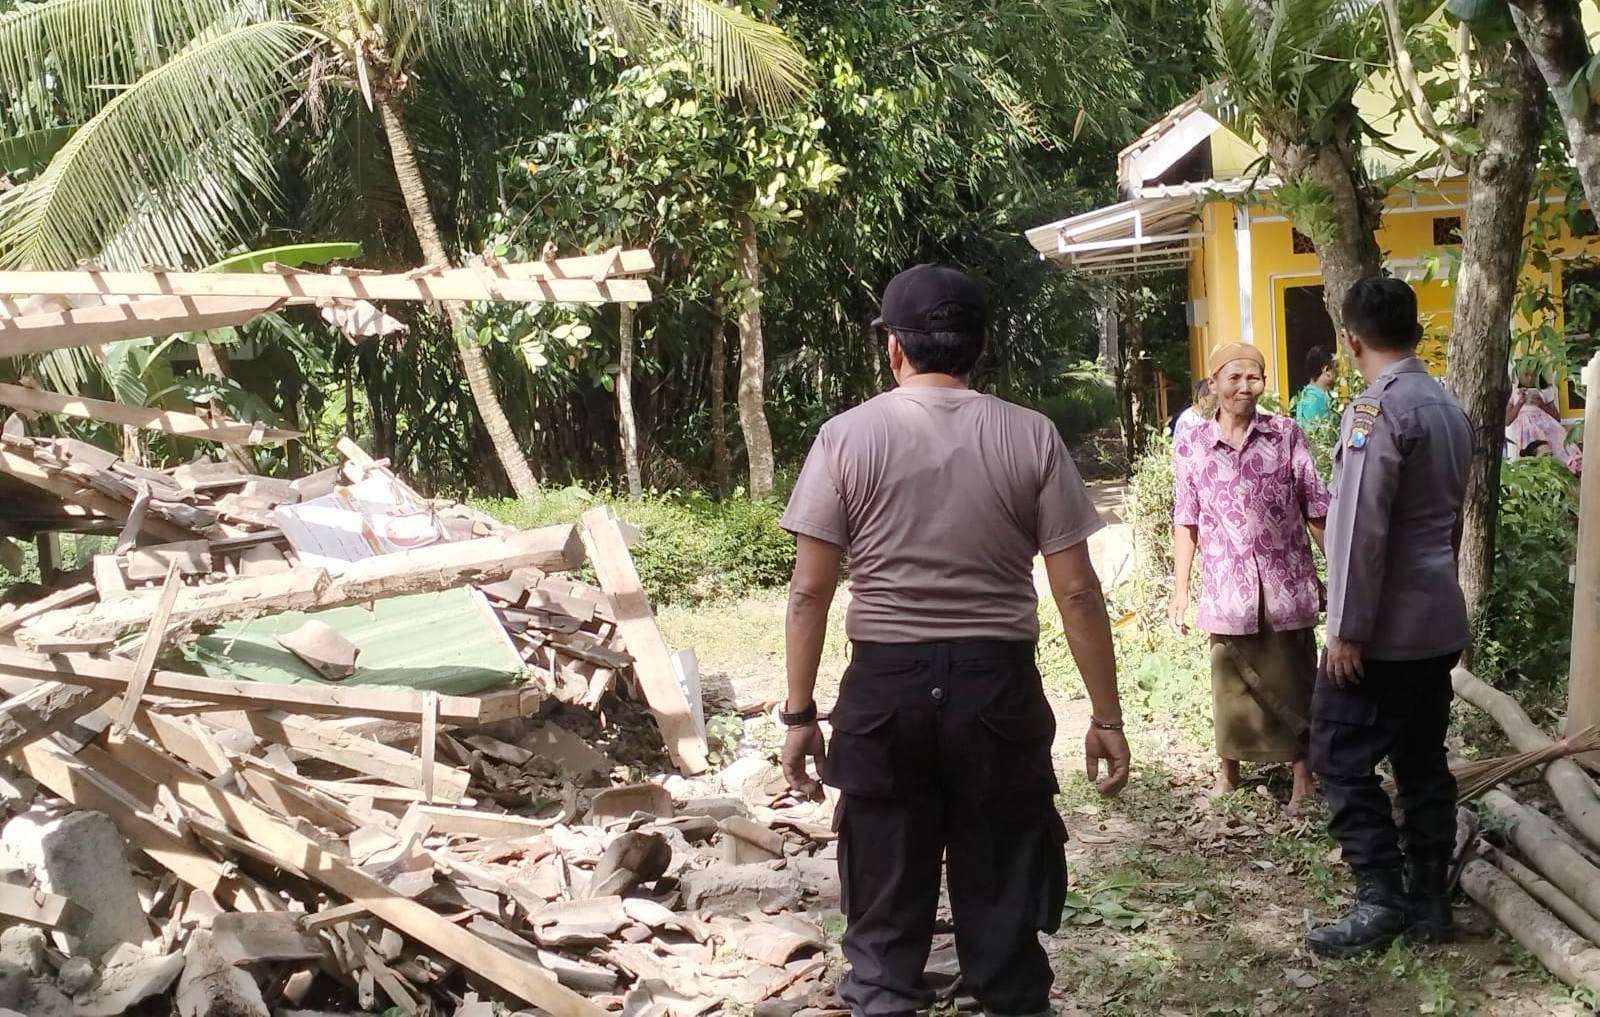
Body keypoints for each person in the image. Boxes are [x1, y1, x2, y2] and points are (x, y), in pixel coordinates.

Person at [778, 263, 1130, 1017]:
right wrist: (1106, 716)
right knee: (1006, 911)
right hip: (995, 690)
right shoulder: (1030, 435)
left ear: (894, 348)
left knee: (880, 926)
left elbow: (810, 589)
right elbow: (1075, 590)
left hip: (883, 694)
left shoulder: (845, 438)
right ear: (978, 348)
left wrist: (799, 713)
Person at [1307, 276, 1473, 958]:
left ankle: (1380, 896)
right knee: (1421, 757)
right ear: (1415, 332)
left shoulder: (1376, 411)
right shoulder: (1448, 408)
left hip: (1383, 630)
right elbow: (1453, 521)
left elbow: (1357, 527)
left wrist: (1346, 626)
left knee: (1338, 756)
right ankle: (1431, 896)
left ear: (1352, 341)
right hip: (1437, 621)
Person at [1168, 342, 1329, 812]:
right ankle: (1229, 773)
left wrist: (1341, 568)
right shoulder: (1193, 442)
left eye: (1253, 377)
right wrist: (1180, 591)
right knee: (1230, 679)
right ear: (1214, 383)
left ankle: (1303, 777)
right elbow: (1187, 518)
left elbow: (1315, 507)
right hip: (1226, 585)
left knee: (1296, 675)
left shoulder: (1285, 434)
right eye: (1233, 377)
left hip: (1286, 580)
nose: (1244, 387)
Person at [1505, 365, 1576, 466]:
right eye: (1526, 375)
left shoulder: (1545, 391)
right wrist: (1520, 403)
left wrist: (1542, 405)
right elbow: (1507, 421)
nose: (1530, 378)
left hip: (1545, 432)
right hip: (1525, 435)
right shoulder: (1514, 393)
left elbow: (1557, 418)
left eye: (1534, 375)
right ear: (1518, 376)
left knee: (1550, 456)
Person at [1295, 345, 1337, 428]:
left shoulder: (1309, 396)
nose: (1339, 371)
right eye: (1337, 366)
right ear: (1327, 370)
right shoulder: (1315, 401)